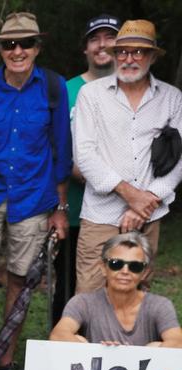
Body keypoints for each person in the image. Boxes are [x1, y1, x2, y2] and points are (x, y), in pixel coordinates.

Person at [0, 12, 72, 370]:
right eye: (9, 44)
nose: (17, 50)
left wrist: (60, 208)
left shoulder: (54, 88)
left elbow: (61, 149)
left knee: (21, 279)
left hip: (34, 196)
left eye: (25, 43)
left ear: (38, 47)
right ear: (0, 49)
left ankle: (5, 359)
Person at [73, 19, 182, 294]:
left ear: (152, 56)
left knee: (138, 296)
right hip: (100, 215)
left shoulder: (172, 98)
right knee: (89, 294)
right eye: (122, 51)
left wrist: (144, 203)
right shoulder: (91, 94)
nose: (129, 59)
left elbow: (179, 158)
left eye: (138, 52)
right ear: (114, 55)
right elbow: (84, 154)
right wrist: (130, 194)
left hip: (148, 215)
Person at [54, 15, 121, 324]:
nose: (102, 44)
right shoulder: (67, 90)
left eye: (110, 37)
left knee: (122, 283)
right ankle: (66, 352)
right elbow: (56, 147)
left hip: (124, 210)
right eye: (95, 38)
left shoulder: (134, 88)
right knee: (70, 287)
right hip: (77, 208)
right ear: (85, 48)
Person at [50, 231, 181, 347]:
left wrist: (137, 355)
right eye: (116, 264)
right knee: (78, 340)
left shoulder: (159, 305)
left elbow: (177, 342)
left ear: (145, 273)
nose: (125, 271)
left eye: (135, 266)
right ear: (103, 268)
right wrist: (101, 354)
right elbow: (58, 335)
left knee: (156, 346)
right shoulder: (83, 302)